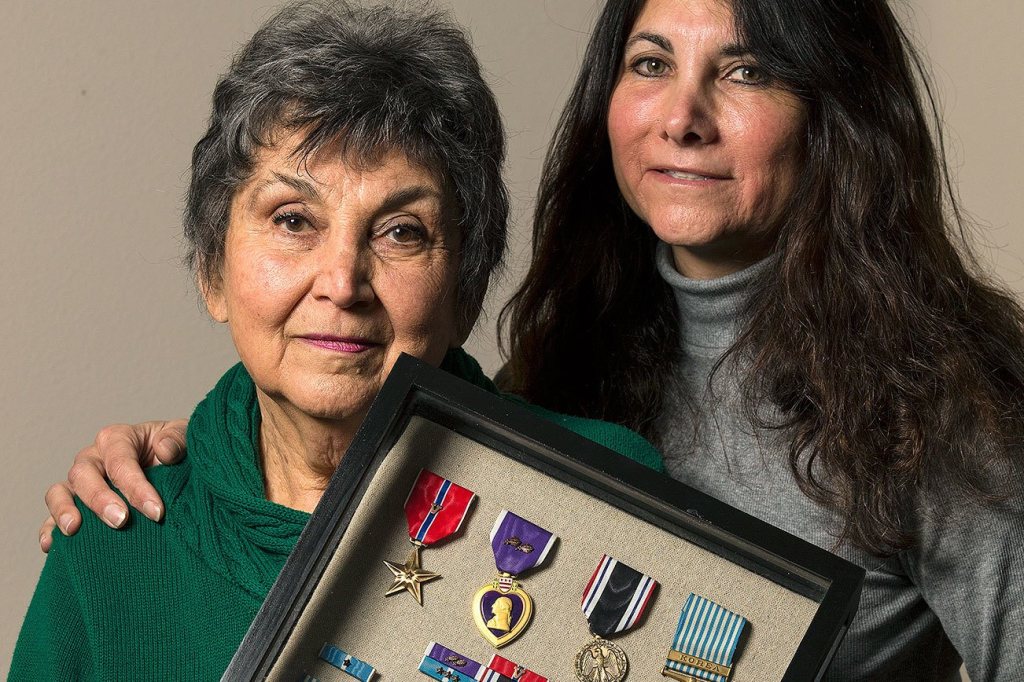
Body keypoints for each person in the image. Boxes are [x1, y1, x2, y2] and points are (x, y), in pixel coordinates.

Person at [37, 0, 1024, 680]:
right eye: (651, 64)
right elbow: (354, 405)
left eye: (746, 70)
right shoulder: (576, 354)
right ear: (211, 269)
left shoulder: (943, 412)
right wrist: (182, 461)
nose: (683, 117)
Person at [10, 2, 661, 678]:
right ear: (212, 272)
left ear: (466, 293)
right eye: (293, 220)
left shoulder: (603, 494)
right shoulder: (112, 543)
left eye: (402, 231)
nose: (342, 283)